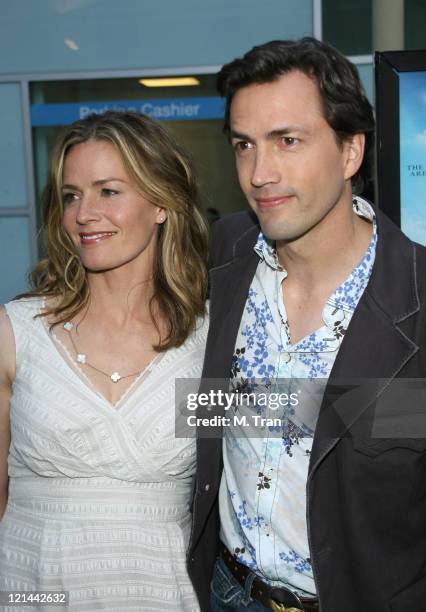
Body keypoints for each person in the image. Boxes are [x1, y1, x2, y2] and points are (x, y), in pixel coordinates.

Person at [187, 38, 426, 611]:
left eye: (287, 141)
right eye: (244, 145)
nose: (260, 173)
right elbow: (209, 411)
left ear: (351, 153)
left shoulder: (417, 298)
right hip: (224, 590)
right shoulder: (223, 256)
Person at [0, 110, 208, 610]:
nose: (83, 214)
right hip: (33, 589)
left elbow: (296, 433)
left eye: (108, 191)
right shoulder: (16, 332)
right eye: (71, 195)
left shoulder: (209, 341)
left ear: (161, 203)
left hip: (162, 594)